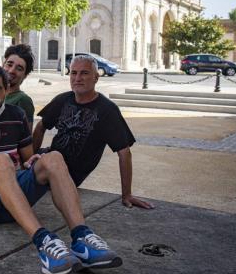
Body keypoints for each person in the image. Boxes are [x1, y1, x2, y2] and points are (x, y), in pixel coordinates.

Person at [0, 63, 122, 274]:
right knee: (1, 161)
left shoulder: (16, 115)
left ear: (6, 88)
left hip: (13, 199)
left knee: (53, 157)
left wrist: (32, 163)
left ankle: (81, 237)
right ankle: (44, 242)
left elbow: (28, 159)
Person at [33, 54, 154, 209]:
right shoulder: (63, 100)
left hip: (67, 175)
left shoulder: (107, 110)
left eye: (84, 73)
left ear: (96, 78)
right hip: (46, 160)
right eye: (74, 73)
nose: (78, 78)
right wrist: (29, 155)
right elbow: (40, 126)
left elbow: (124, 153)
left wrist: (127, 194)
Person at [2, 44, 35, 125]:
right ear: (3, 64)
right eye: (9, 64)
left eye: (19, 68)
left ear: (25, 76)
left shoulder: (23, 100)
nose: (11, 71)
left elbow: (27, 135)